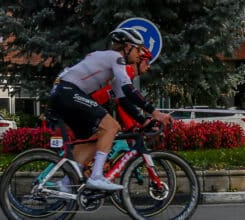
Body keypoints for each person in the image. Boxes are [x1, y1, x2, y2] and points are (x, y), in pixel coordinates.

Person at [49, 28, 171, 191]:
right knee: (112, 127)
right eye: (138, 49)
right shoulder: (116, 58)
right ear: (127, 47)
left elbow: (125, 101)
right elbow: (129, 89)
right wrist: (154, 111)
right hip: (68, 91)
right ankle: (96, 176)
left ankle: (66, 184)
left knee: (94, 138)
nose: (139, 54)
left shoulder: (112, 67)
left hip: (64, 93)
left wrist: (144, 121)